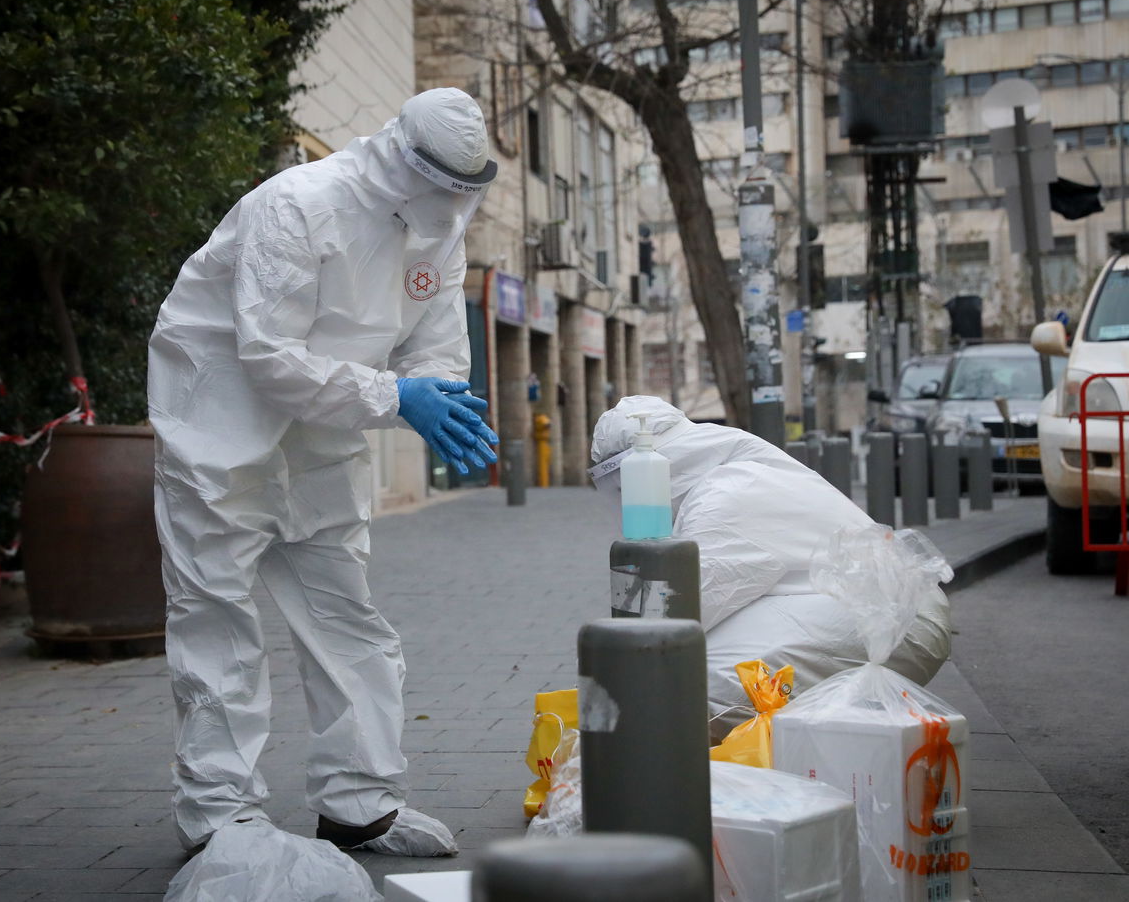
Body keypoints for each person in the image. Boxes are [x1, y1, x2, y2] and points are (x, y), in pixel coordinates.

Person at [148, 88, 500, 858]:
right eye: (443, 187)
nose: (453, 206)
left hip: (326, 419)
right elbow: (269, 357)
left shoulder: (441, 229)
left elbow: (435, 337)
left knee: (346, 608)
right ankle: (218, 816)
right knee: (217, 612)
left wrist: (434, 393)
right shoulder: (298, 205)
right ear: (402, 159)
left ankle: (360, 804)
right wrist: (393, 395)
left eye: (465, 193)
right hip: (220, 407)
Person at [590, 396, 952, 736]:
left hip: (891, 621)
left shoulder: (724, 497)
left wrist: (606, 681)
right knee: (678, 666)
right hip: (883, 608)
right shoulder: (728, 470)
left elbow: (678, 610)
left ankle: (706, 777)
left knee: (684, 682)